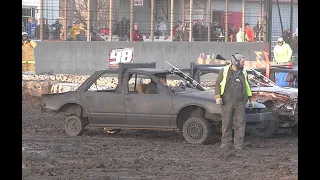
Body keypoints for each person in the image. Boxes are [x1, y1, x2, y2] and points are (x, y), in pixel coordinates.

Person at [214, 53, 254, 151]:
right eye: (242, 62)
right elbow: (217, 84)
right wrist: (218, 97)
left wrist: (251, 99)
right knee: (226, 124)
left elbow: (247, 87)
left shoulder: (243, 72)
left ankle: (238, 146)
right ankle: (225, 145)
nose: (243, 64)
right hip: (227, 102)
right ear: (236, 62)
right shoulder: (224, 71)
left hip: (240, 103)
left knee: (240, 124)